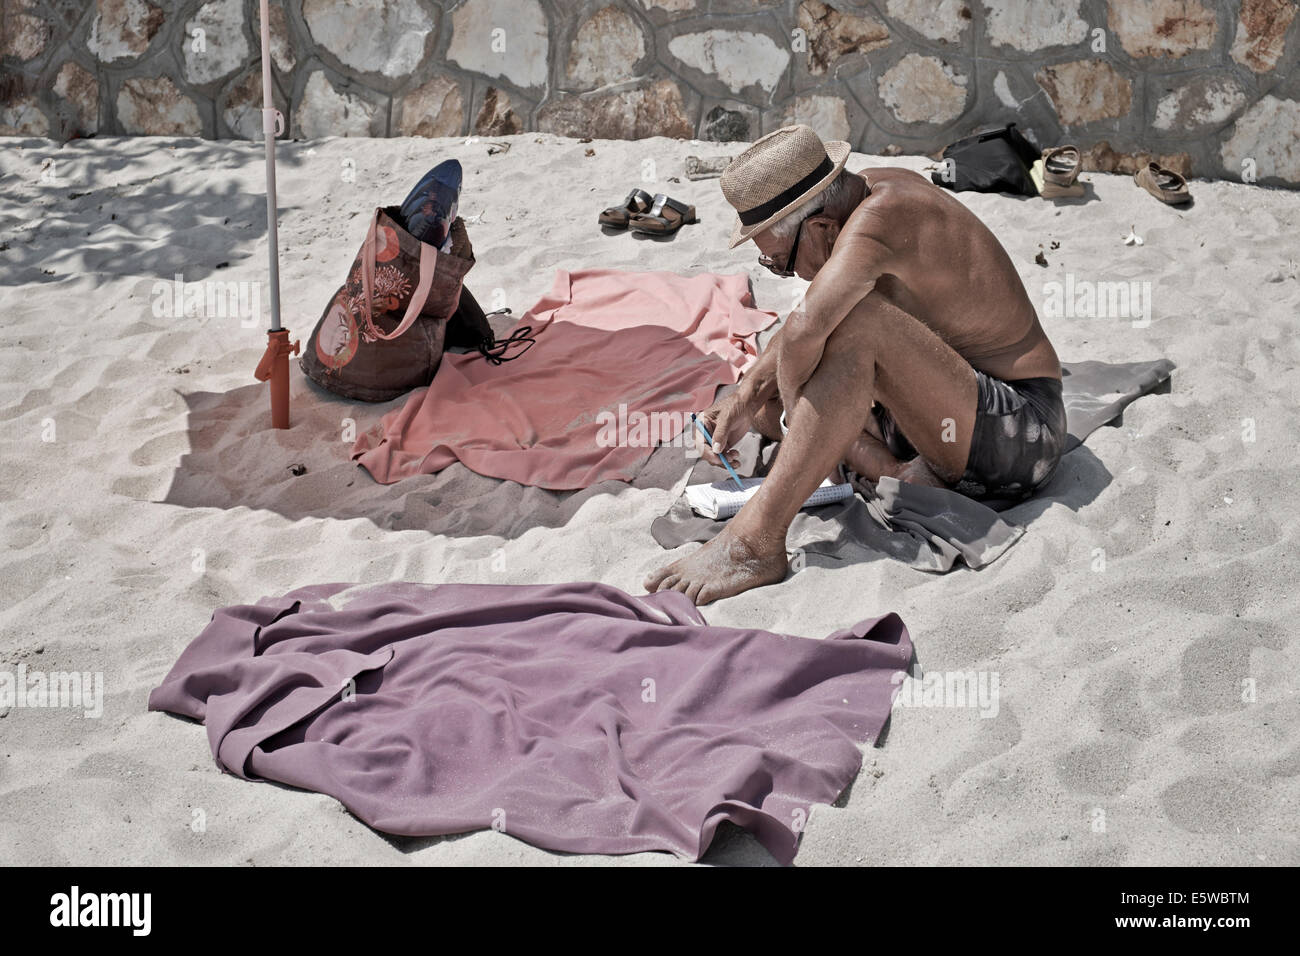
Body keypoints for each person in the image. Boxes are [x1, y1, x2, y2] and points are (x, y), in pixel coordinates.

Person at [645, 125, 1066, 605]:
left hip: (1022, 432)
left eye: (781, 263)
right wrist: (745, 396)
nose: (789, 275)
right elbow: (808, 319)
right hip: (945, 407)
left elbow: (806, 323)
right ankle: (894, 467)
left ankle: (755, 542)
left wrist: (793, 403)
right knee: (765, 403)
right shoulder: (860, 193)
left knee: (853, 328)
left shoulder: (884, 217)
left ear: (821, 227)